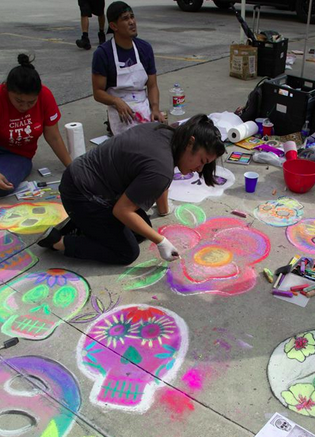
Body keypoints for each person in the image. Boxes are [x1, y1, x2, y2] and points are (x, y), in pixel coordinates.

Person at [37, 114, 225, 265]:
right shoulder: (161, 169)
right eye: (201, 161)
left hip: (85, 180)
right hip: (82, 194)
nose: (199, 169)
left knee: (140, 230)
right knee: (126, 251)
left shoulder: (164, 133)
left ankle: (81, 223)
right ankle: (59, 242)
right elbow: (122, 210)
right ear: (191, 142)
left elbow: (158, 181)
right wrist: (161, 241)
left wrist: (163, 210)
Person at [0, 54, 72, 197]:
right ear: (7, 90)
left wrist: (72, 168)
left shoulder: (45, 95)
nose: (24, 107)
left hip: (17, 155)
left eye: (31, 102)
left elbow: (54, 136)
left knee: (4, 186)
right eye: (19, 101)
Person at [91, 1, 165, 136]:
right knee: (132, 145)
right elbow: (97, 92)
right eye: (125, 18)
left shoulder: (145, 48)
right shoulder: (102, 54)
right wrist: (116, 101)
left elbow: (152, 85)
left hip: (143, 105)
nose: (132, 22)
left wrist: (155, 109)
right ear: (114, 26)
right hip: (120, 110)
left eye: (132, 16)